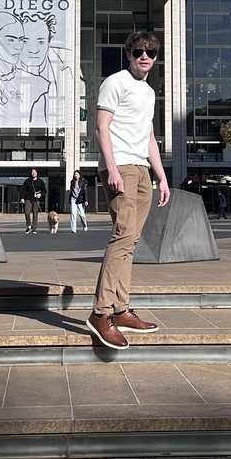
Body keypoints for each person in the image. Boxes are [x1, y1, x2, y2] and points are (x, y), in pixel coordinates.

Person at [86, 31, 170, 350]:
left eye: (150, 52)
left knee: (130, 241)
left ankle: (121, 309)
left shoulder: (148, 92)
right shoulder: (115, 82)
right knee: (122, 236)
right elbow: (101, 127)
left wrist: (162, 177)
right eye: (139, 51)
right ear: (129, 54)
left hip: (142, 170)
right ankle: (100, 313)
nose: (145, 56)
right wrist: (111, 167)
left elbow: (149, 138)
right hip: (120, 166)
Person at [20, 168, 46, 233]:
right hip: (28, 198)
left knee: (35, 214)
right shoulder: (27, 181)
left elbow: (44, 190)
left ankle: (34, 228)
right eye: (32, 172)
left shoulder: (40, 181)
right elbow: (23, 190)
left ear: (37, 173)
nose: (33, 173)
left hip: (36, 199)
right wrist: (22, 198)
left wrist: (40, 194)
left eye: (35, 172)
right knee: (27, 212)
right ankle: (28, 225)